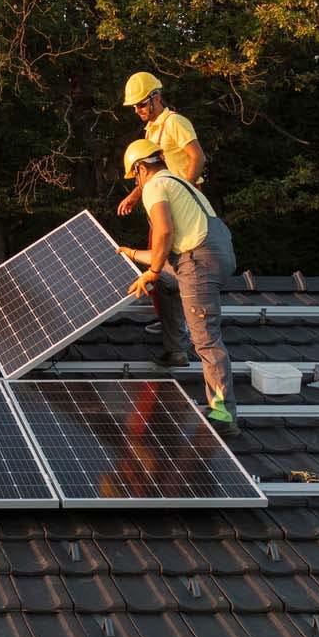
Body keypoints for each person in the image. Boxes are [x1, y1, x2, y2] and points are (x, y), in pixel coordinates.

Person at [117, 139, 239, 438]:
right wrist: (133, 253)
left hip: (198, 261)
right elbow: (166, 249)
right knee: (167, 284)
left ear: (141, 168)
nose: (137, 182)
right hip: (209, 252)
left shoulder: (155, 185)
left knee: (206, 338)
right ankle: (174, 350)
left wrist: (153, 271)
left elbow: (165, 231)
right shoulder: (178, 182)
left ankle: (223, 414)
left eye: (135, 176)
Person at [115, 71, 206, 217]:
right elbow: (150, 173)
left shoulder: (174, 122)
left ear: (156, 98)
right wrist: (135, 195)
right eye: (134, 107)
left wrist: (184, 191)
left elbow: (198, 157)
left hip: (188, 198)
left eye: (141, 105)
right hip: (168, 198)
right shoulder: (150, 131)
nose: (137, 110)